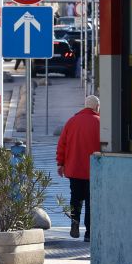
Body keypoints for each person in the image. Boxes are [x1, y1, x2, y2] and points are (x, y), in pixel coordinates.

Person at [56, 95, 100, 242]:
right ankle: (89, 232)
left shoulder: (72, 121)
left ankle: (74, 222)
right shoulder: (100, 122)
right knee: (91, 201)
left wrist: (60, 163)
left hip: (74, 168)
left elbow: (62, 144)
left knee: (75, 198)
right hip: (94, 170)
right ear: (97, 107)